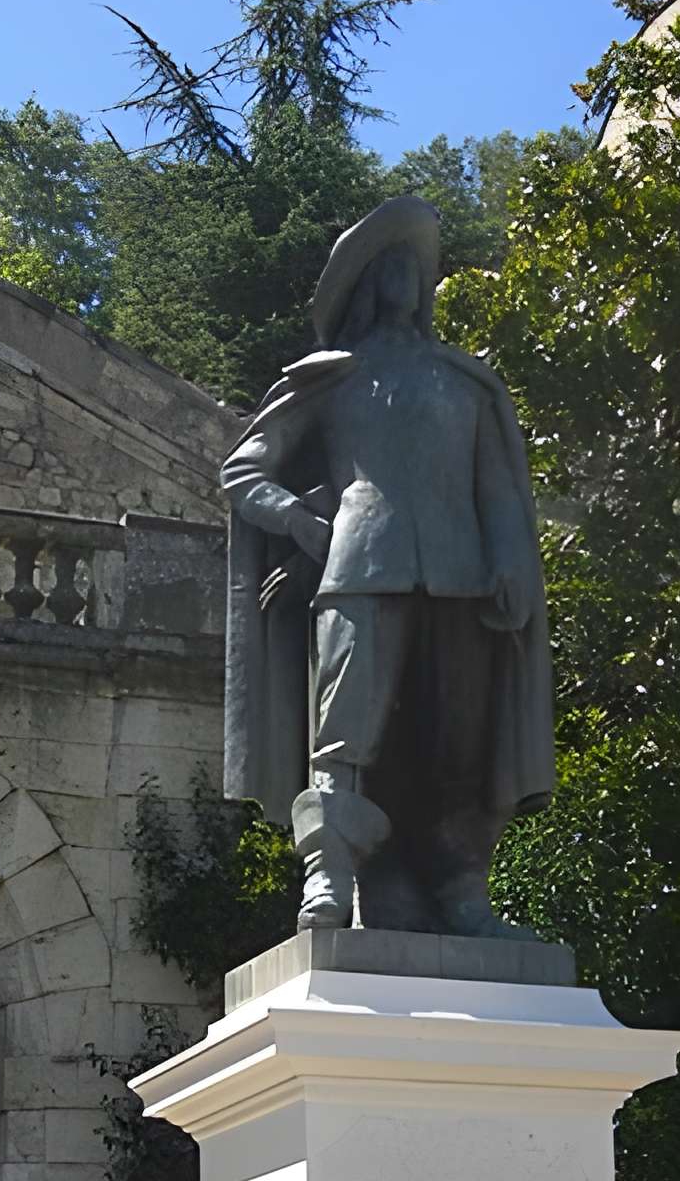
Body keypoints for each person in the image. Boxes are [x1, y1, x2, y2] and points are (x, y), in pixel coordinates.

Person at [222, 197, 554, 936]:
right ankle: (329, 877)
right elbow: (245, 471)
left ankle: (464, 890)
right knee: (344, 737)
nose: (411, 277)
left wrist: (510, 560)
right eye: (393, 264)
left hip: (464, 580)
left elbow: (498, 488)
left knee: (459, 742)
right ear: (367, 282)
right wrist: (300, 523)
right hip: (360, 567)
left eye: (418, 265)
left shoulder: (467, 383)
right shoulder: (330, 378)